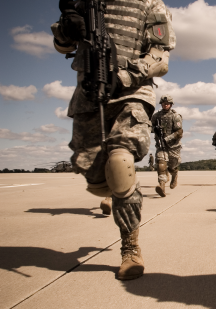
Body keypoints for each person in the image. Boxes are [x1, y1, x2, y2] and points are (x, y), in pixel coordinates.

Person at [51, 0, 175, 280]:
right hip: (89, 91)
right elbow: (63, 46)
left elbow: (160, 59)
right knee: (96, 179)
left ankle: (130, 248)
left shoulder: (149, 4)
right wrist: (66, 28)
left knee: (121, 163)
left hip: (132, 91)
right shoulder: (84, 1)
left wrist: (126, 75)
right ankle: (115, 189)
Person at [152, 94, 183, 197]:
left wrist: (167, 139)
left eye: (167, 104)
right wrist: (154, 129)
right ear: (161, 104)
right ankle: (162, 186)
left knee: (172, 167)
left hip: (173, 146)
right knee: (161, 164)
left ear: (170, 105)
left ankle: (174, 175)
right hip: (161, 145)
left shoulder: (175, 116)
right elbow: (149, 127)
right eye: (164, 104)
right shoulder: (156, 116)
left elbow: (179, 132)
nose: (165, 105)